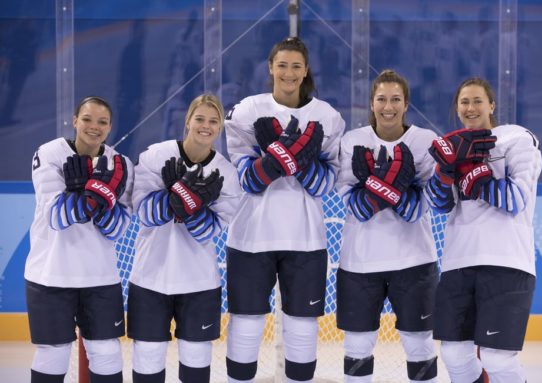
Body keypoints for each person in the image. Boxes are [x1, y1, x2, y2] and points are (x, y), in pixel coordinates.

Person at [224, 37, 345, 382]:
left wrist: (285, 156)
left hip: (305, 239)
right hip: (251, 237)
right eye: (282, 65)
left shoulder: (327, 117)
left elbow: (325, 185)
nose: (288, 72)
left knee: (302, 328)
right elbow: (249, 179)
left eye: (296, 66)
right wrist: (292, 154)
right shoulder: (248, 110)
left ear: (305, 70)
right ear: (270, 67)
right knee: (246, 325)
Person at [426, 77, 542, 383]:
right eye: (464, 102)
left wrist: (473, 173)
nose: (471, 107)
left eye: (478, 100)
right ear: (457, 108)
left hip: (506, 261)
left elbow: (516, 200)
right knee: (454, 355)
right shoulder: (453, 147)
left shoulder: (517, 138)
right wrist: (444, 172)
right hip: (458, 261)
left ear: (491, 105)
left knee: (498, 359)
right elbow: (439, 205)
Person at [127, 94, 242, 383]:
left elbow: (210, 230)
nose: (206, 126)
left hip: (199, 282)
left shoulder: (226, 173)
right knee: (148, 359)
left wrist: (187, 205)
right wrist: (176, 198)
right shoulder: (157, 155)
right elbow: (143, 211)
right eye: (200, 119)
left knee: (196, 363)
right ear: (188, 121)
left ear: (220, 128)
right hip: (150, 278)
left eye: (214, 121)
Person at [336, 69, 440, 382]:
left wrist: (374, 184)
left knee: (419, 345)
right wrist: (394, 187)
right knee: (357, 345)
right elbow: (356, 206)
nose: (388, 106)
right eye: (381, 99)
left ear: (406, 103)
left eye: (396, 99)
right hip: (359, 262)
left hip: (415, 261)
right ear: (371, 103)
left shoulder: (425, 141)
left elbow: (418, 208)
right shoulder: (353, 141)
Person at [25, 96, 134, 382]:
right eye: (87, 119)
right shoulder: (48, 153)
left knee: (107, 352)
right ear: (74, 121)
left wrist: (84, 193)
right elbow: (57, 217)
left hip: (100, 277)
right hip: (49, 275)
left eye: (102, 122)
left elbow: (117, 228)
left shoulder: (121, 164)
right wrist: (98, 194)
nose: (93, 126)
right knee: (52, 353)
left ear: (110, 127)